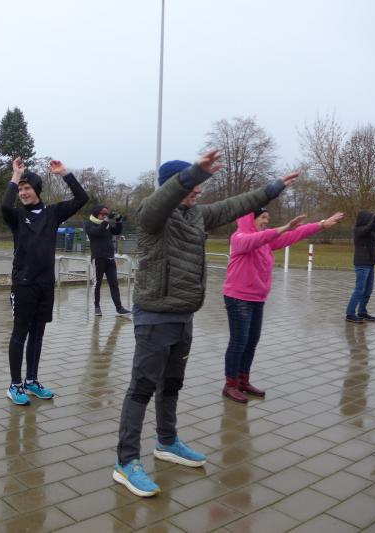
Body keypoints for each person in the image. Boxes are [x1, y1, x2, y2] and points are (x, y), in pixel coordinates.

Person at [113, 150, 298, 498]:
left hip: (184, 314)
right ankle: (126, 461)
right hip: (154, 317)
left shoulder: (196, 215)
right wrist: (194, 173)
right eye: (192, 185)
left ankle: (167, 441)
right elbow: (160, 201)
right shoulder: (152, 215)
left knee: (172, 384)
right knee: (141, 388)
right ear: (173, 186)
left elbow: (234, 205)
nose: (198, 191)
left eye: (199, 185)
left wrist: (273, 188)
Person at [221, 208, 344, 403]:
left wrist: (321, 224)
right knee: (239, 342)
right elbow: (257, 239)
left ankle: (243, 380)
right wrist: (283, 227)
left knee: (251, 341)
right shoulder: (239, 238)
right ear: (251, 219)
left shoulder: (266, 240)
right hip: (238, 298)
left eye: (268, 218)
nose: (266, 221)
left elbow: (295, 234)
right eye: (263, 217)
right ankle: (230, 385)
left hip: (257, 298)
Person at [1, 157, 88, 405]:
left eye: (27, 188)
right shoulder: (17, 216)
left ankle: (31, 381)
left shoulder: (53, 213)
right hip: (24, 284)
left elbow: (82, 199)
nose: (23, 193)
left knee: (38, 334)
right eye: (21, 189)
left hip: (45, 284)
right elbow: (5, 206)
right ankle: (15, 385)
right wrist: (16, 176)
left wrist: (64, 173)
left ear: (37, 190)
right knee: (20, 334)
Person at [84, 204, 131, 318]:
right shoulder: (89, 224)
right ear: (97, 213)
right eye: (103, 214)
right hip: (98, 258)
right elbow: (97, 232)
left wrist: (119, 221)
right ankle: (97, 307)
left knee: (114, 284)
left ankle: (119, 308)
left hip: (110, 258)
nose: (104, 216)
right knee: (97, 284)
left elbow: (116, 231)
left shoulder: (106, 224)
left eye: (106, 214)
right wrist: (106, 220)